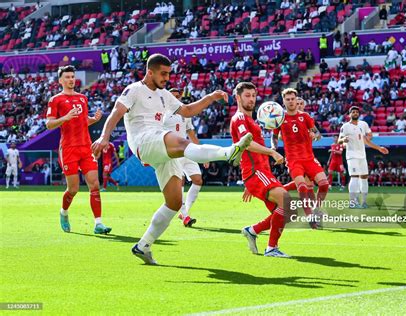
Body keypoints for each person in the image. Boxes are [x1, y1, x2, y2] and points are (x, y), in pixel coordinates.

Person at [91, 54, 253, 265]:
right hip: (143, 140)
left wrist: (210, 98)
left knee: (174, 202)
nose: (167, 78)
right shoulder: (134, 90)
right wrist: (104, 137)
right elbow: (116, 112)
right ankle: (228, 152)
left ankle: (143, 245)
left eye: (169, 74)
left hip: (158, 142)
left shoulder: (164, 94)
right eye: (163, 74)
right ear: (150, 72)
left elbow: (186, 110)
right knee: (184, 145)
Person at [46, 65, 111, 234]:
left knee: (94, 185)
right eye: (67, 77)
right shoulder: (55, 100)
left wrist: (93, 119)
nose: (71, 80)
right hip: (68, 148)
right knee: (73, 189)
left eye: (72, 76)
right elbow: (49, 124)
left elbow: (82, 121)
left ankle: (98, 224)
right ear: (60, 80)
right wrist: (65, 117)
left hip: (85, 147)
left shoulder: (82, 98)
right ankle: (64, 212)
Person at [230, 82, 291, 258]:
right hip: (256, 172)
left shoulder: (251, 120)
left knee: (284, 211)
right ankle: (271, 248)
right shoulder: (239, 118)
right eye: (247, 95)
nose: (251, 99)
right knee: (285, 201)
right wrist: (272, 152)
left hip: (261, 173)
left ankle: (253, 230)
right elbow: (246, 144)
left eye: (253, 95)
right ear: (238, 97)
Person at [272, 88, 328, 227]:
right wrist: (273, 148)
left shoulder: (306, 117)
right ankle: (310, 217)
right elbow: (274, 136)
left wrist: (315, 135)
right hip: (294, 160)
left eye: (293, 99)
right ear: (284, 101)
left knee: (324, 184)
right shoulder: (280, 118)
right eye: (288, 99)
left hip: (309, 158)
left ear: (297, 100)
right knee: (302, 187)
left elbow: (318, 134)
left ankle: (316, 209)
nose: (291, 101)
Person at [163, 88, 208, 227]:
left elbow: (192, 135)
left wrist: (202, 153)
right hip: (172, 152)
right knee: (180, 181)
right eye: (173, 96)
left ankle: (185, 211)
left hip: (186, 150)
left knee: (198, 180)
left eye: (178, 96)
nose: (176, 98)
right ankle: (185, 216)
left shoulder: (185, 113)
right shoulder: (163, 114)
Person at [338, 106, 389, 208]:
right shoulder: (345, 126)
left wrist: (379, 148)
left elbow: (367, 140)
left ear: (359, 114)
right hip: (352, 156)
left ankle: (364, 202)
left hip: (362, 156)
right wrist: (344, 140)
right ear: (349, 114)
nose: (355, 113)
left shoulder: (363, 124)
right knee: (354, 177)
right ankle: (353, 202)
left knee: (364, 177)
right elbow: (339, 140)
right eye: (353, 112)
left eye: (357, 112)